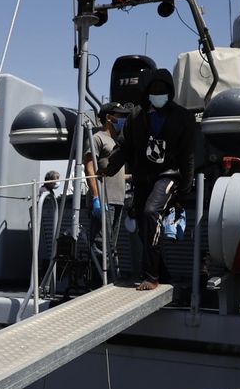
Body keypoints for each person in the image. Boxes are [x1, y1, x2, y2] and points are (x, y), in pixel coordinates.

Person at [107, 69, 195, 291]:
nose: (159, 94)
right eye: (154, 90)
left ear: (170, 92)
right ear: (147, 92)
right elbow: (124, 146)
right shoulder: (137, 116)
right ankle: (164, 273)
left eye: (163, 90)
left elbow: (188, 154)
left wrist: (185, 188)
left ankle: (151, 276)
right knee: (142, 228)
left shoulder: (182, 116)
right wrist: (110, 167)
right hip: (143, 178)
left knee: (150, 213)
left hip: (168, 176)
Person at [84, 103, 128, 273]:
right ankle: (97, 284)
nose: (123, 119)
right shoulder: (97, 138)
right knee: (100, 244)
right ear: (109, 118)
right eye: (120, 115)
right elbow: (89, 167)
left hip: (117, 199)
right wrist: (96, 197)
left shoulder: (119, 142)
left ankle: (109, 281)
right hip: (103, 199)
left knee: (111, 245)